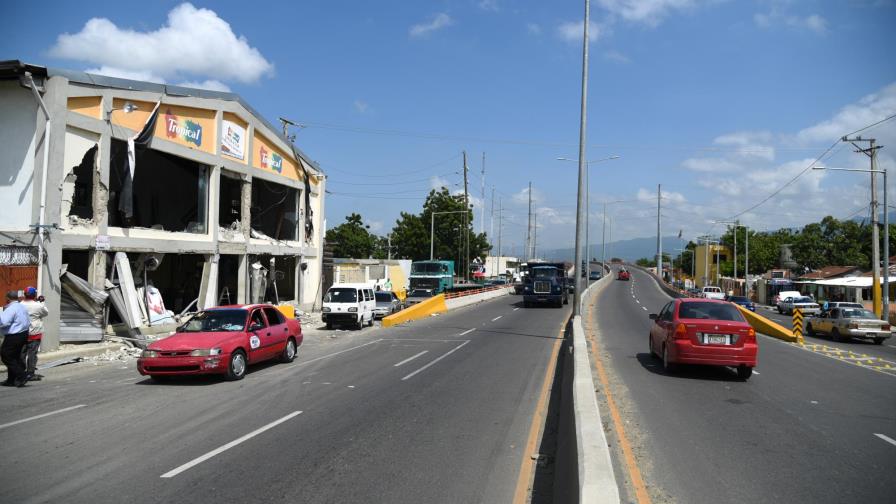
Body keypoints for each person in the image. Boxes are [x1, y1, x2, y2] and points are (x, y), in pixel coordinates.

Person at [1, 290, 31, 387]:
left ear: (8, 299)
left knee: (6, 356)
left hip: (14, 335)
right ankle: (11, 380)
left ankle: (22, 375)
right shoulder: (22, 306)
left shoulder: (11, 308)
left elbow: (4, 322)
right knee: (14, 357)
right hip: (23, 334)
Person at [20, 286, 48, 381]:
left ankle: (20, 373)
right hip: (34, 333)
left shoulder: (20, 305)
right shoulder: (38, 305)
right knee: (32, 354)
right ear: (34, 295)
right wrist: (42, 302)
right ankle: (30, 374)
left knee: (22, 353)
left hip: (22, 333)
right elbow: (45, 313)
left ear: (24, 295)